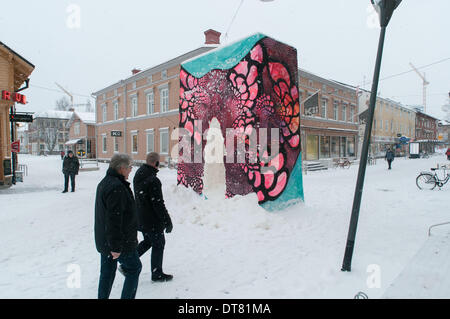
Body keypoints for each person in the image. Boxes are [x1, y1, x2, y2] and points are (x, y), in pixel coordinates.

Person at [94, 153, 142, 299]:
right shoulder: (117, 187)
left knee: (107, 273)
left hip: (105, 240)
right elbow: (113, 219)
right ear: (121, 168)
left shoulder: (105, 182)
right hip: (121, 242)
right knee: (134, 268)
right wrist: (115, 246)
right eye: (129, 167)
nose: (131, 170)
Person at [132, 152, 173, 282]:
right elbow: (158, 203)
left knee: (149, 241)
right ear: (156, 163)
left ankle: (128, 263)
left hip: (141, 217)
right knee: (159, 244)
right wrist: (167, 221)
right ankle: (157, 273)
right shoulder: (153, 180)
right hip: (152, 220)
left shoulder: (139, 174)